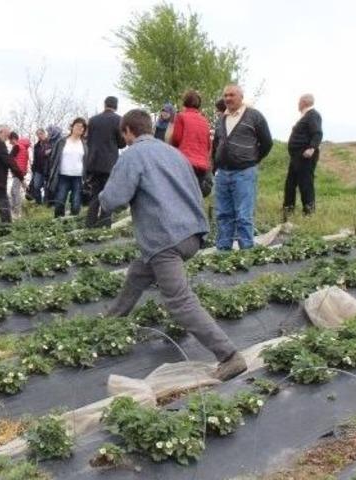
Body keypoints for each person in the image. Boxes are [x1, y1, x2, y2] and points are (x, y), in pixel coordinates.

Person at [99, 109, 246, 381]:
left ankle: (229, 355)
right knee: (139, 272)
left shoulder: (133, 154)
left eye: (124, 135)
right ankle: (112, 321)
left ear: (128, 131)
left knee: (179, 301)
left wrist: (100, 198)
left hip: (165, 238)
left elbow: (114, 199)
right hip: (192, 233)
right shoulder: (174, 153)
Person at [211, 84, 272, 250]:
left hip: (244, 172)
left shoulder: (254, 116)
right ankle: (223, 251)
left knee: (244, 215)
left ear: (241, 97)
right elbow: (216, 145)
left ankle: (246, 252)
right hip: (223, 173)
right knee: (223, 214)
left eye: (232, 95)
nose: (228, 98)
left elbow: (267, 142)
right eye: (225, 95)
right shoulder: (221, 120)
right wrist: (215, 167)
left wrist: (253, 159)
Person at [85, 96, 126, 228]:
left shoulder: (93, 120)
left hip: (93, 162)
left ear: (105, 104)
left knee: (95, 194)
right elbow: (121, 143)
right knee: (108, 194)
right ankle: (104, 223)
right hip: (109, 163)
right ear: (116, 106)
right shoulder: (119, 120)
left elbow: (88, 140)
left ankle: (90, 223)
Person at [284, 94, 323, 216]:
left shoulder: (313, 115)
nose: (298, 104)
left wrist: (311, 148)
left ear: (304, 102)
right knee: (290, 182)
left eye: (299, 101)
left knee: (305, 183)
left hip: (305, 155)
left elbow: (317, 133)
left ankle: (309, 211)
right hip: (296, 156)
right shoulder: (305, 116)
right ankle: (288, 208)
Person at [171, 90, 212, 196]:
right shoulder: (204, 120)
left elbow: (176, 139)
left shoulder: (181, 116)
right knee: (196, 196)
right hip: (202, 166)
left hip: (185, 162)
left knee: (182, 197)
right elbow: (208, 145)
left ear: (184, 101)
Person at [47, 117, 88, 218]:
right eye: (78, 126)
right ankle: (58, 222)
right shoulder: (62, 142)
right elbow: (53, 158)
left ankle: (73, 222)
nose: (80, 128)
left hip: (78, 177)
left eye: (82, 127)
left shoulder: (85, 144)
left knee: (76, 203)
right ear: (72, 127)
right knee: (60, 201)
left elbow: (87, 161)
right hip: (63, 175)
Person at [8, 131, 31, 218]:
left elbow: (9, 158)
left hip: (18, 171)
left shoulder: (17, 146)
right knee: (13, 190)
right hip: (22, 171)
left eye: (10, 140)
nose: (9, 142)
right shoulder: (23, 147)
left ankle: (17, 212)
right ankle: (15, 210)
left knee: (15, 191)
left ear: (13, 139)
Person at [29, 128, 51, 205]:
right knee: (36, 186)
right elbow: (35, 158)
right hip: (38, 170)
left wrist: (49, 152)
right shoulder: (36, 146)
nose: (39, 136)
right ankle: (39, 204)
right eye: (38, 134)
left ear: (44, 134)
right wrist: (33, 169)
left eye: (41, 134)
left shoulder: (50, 143)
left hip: (48, 170)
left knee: (47, 188)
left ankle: (46, 204)